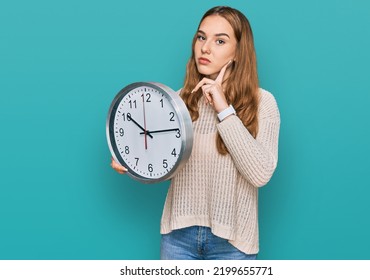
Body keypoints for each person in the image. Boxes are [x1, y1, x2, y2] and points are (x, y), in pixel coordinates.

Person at [111, 6, 280, 260]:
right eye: (201, 37)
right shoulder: (179, 100)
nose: (205, 48)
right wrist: (133, 163)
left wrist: (224, 110)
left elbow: (260, 174)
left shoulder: (262, 102)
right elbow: (168, 166)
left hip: (232, 243)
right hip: (178, 237)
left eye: (220, 41)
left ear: (238, 52)